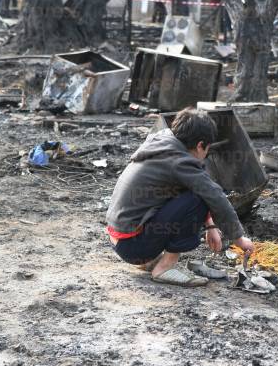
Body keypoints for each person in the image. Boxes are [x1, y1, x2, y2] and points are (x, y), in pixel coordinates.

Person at [106, 108, 254, 286]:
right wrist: (239, 238)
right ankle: (165, 267)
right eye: (207, 149)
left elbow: (188, 187)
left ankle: (150, 261)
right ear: (200, 145)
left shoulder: (163, 140)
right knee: (198, 197)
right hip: (133, 246)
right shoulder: (181, 162)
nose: (206, 155)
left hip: (119, 239)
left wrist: (211, 226)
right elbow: (215, 196)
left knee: (195, 191)